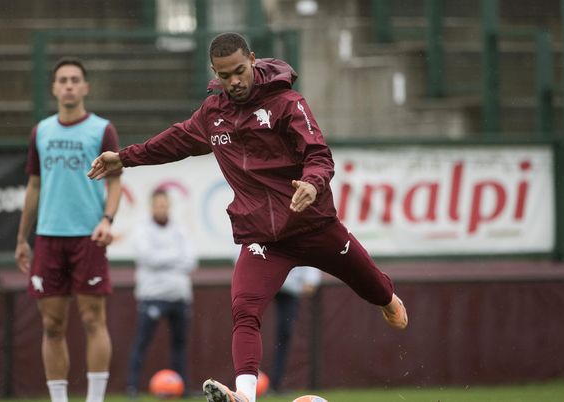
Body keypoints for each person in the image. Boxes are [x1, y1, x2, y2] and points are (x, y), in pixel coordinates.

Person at [87, 32, 408, 402]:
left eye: (240, 70)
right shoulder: (213, 114)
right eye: (225, 75)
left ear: (253, 60)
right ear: (215, 73)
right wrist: (124, 157)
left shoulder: (287, 103)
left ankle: (388, 299)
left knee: (380, 293)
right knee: (243, 309)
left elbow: (320, 155)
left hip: (314, 226)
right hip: (263, 240)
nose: (234, 81)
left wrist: (311, 183)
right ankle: (245, 395)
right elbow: (176, 140)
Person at [15, 56, 122, 402]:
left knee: (93, 320)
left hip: (87, 237)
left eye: (76, 79)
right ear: (54, 88)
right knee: (52, 325)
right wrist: (22, 237)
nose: (69, 85)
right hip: (48, 238)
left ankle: (94, 399)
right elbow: (34, 185)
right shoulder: (41, 131)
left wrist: (107, 220)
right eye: (63, 80)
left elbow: (116, 182)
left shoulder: (102, 129)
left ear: (86, 87)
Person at [126, 188, 198, 398]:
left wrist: (165, 258)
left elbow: (191, 259)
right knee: (142, 342)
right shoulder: (142, 230)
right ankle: (132, 388)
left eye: (165, 204)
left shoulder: (180, 230)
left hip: (180, 295)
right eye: (158, 204)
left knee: (180, 345)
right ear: (151, 206)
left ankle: (182, 388)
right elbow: (148, 257)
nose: (162, 208)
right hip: (152, 295)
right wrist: (175, 258)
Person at [269, 266, 321, 394]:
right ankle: (246, 381)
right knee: (248, 327)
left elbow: (311, 251)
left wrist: (311, 279)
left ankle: (275, 384)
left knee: (285, 334)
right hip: (261, 282)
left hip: (290, 289)